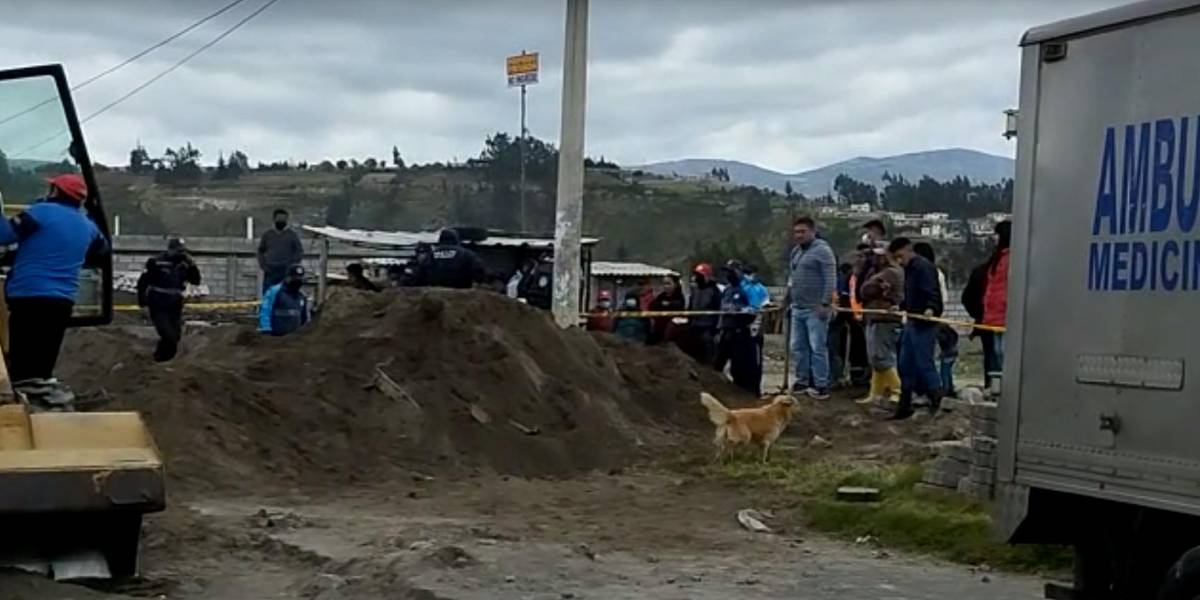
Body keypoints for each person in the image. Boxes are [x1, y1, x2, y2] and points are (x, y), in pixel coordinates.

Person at [0, 174, 108, 400]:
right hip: (62, 302)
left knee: (21, 366)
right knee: (42, 366)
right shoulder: (88, 227)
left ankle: (19, 409)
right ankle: (42, 405)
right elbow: (101, 250)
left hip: (29, 296)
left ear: (56, 191)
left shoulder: (41, 213)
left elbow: (3, 235)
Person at [887, 237, 944, 420]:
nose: (898, 261)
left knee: (924, 363)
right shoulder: (909, 270)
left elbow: (932, 292)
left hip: (924, 323)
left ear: (908, 250)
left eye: (899, 256)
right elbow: (911, 295)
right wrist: (902, 306)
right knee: (905, 364)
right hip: (911, 321)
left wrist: (931, 308)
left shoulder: (924, 267)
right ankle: (904, 405)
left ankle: (938, 401)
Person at [787, 216, 837, 400]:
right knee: (798, 346)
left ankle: (820, 384)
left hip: (815, 308)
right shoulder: (796, 252)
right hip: (797, 307)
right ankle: (803, 380)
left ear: (812, 231)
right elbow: (791, 278)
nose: (798, 235)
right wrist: (787, 300)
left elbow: (830, 278)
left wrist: (825, 303)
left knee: (817, 347)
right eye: (796, 232)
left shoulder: (823, 251)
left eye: (802, 231)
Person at [136, 238, 201, 362]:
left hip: (175, 304)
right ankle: (159, 359)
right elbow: (142, 282)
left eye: (182, 251)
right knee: (167, 333)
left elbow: (196, 281)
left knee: (175, 336)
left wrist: (192, 266)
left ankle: (162, 359)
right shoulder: (156, 261)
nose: (180, 254)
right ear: (170, 250)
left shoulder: (185, 264)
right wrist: (142, 303)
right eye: (178, 251)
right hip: (158, 302)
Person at [857, 247, 904, 406]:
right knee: (875, 359)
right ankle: (875, 393)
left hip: (885, 318)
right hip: (874, 317)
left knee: (882, 357)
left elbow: (867, 290)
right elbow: (862, 289)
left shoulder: (892, 273)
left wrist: (871, 286)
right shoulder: (875, 272)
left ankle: (898, 390)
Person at [913, 241, 958, 397]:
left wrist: (931, 312)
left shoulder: (933, 273)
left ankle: (936, 392)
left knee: (928, 360)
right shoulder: (915, 273)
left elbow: (941, 299)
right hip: (919, 322)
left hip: (930, 323)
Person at [713, 263, 761, 395]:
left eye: (732, 272)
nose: (729, 275)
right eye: (727, 272)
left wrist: (738, 310)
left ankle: (745, 393)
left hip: (741, 331)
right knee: (716, 365)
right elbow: (721, 311)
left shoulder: (748, 289)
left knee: (740, 368)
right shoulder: (727, 290)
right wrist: (719, 329)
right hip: (726, 330)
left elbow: (755, 309)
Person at [962, 257, 998, 390]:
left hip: (986, 322)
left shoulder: (982, 270)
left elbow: (967, 298)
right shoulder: (1012, 270)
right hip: (999, 322)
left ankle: (992, 388)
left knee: (991, 355)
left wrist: (979, 315)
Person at [413, 228, 486, 289]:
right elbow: (479, 270)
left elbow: (419, 274)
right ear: (456, 239)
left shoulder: (430, 255)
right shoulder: (466, 254)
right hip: (461, 293)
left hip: (436, 294)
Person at [983, 220, 1012, 374]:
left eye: (997, 234)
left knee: (1005, 352)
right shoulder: (998, 258)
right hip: (995, 313)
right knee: (998, 351)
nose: (994, 238)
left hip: (1005, 313)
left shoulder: (1011, 259)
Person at [257, 208, 304, 294]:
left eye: (284, 219)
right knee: (268, 293)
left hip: (286, 270)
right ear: (274, 219)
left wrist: (292, 265)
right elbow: (260, 251)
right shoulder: (267, 235)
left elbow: (299, 251)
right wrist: (263, 265)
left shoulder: (292, 235)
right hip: (270, 270)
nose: (281, 221)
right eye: (279, 219)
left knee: (285, 293)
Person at [683, 263, 722, 364]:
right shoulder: (694, 290)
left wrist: (715, 329)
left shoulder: (714, 291)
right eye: (696, 275)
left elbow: (718, 311)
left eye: (700, 275)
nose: (697, 277)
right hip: (694, 326)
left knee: (707, 354)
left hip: (707, 328)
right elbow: (690, 306)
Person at [259, 265, 311, 336]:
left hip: (295, 340)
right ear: (287, 277)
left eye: (300, 280)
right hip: (275, 337)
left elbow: (304, 318)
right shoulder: (275, 291)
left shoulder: (302, 296)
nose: (297, 282)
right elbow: (265, 310)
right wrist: (266, 329)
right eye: (295, 279)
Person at [647, 275, 686, 345]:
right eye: (664, 284)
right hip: (658, 327)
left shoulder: (679, 296)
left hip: (674, 329)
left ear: (675, 284)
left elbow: (678, 307)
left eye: (668, 283)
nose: (666, 286)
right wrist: (661, 304)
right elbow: (652, 306)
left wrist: (668, 304)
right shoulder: (661, 296)